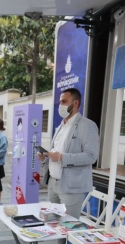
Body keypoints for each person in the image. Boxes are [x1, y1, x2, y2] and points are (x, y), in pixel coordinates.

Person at [37, 88, 99, 218]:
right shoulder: (60, 126)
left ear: (75, 103)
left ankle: (65, 240)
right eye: (60, 102)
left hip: (71, 186)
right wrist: (45, 158)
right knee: (55, 224)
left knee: (68, 226)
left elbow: (91, 156)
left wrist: (61, 157)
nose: (60, 105)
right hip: (53, 183)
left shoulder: (87, 125)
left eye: (64, 101)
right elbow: (55, 152)